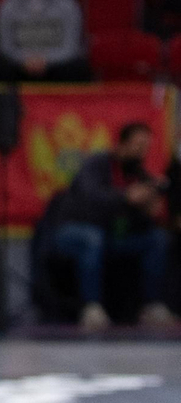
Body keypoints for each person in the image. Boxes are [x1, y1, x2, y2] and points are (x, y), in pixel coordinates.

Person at [50, 121, 176, 331]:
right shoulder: (97, 164)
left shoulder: (137, 173)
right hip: (72, 230)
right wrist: (125, 197)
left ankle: (151, 306)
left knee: (157, 239)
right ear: (121, 145)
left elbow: (131, 221)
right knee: (92, 238)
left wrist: (147, 210)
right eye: (137, 146)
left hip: (111, 236)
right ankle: (91, 308)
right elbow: (90, 199)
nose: (141, 152)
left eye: (145, 148)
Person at [0, 0, 88, 82]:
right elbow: (5, 45)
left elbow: (71, 46)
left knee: (77, 67)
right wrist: (25, 60)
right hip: (20, 63)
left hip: (56, 64)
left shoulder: (68, 6)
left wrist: (46, 60)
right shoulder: (8, 5)